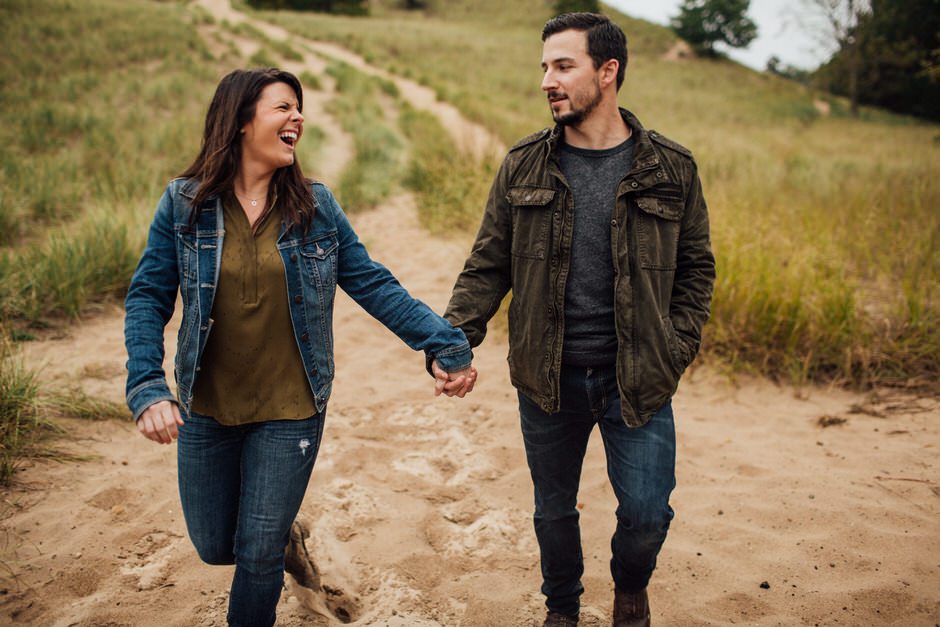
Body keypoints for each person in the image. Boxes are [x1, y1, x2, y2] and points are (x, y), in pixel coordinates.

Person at [123, 67, 476, 627]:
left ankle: (271, 541)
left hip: (292, 408)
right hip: (208, 406)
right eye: (283, 107)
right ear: (241, 121)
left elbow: (373, 284)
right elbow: (148, 296)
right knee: (216, 545)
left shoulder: (314, 207)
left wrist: (444, 344)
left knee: (256, 552)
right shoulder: (184, 204)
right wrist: (147, 385)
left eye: (299, 108)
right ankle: (287, 536)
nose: (298, 118)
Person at [441, 12, 715, 627]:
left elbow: (696, 268)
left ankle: (629, 589)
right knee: (553, 511)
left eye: (563, 66)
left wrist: (676, 346)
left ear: (607, 71)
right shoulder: (524, 165)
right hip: (548, 376)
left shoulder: (672, 168)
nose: (547, 80)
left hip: (637, 376)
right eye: (545, 67)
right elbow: (487, 266)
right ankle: (561, 610)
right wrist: (453, 339)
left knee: (647, 514)